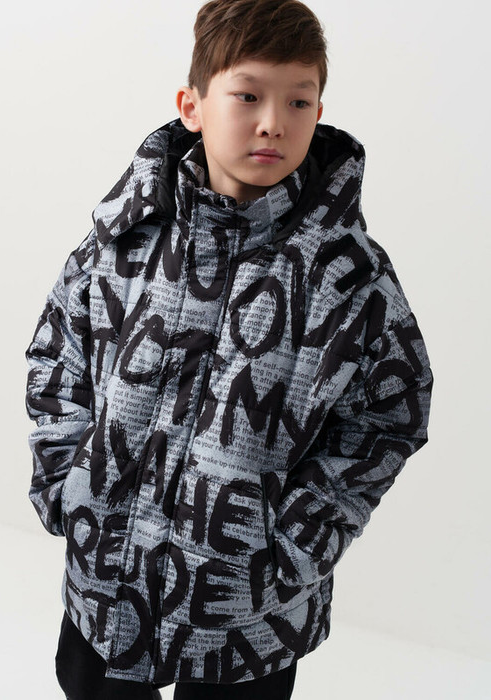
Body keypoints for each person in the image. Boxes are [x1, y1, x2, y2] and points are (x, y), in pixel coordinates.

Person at [25, 1, 433, 698]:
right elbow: (57, 353)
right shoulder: (126, 239)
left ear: (318, 111)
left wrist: (292, 547)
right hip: (106, 579)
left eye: (298, 101)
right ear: (192, 106)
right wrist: (68, 480)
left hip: (244, 615)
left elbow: (388, 415)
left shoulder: (345, 276)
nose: (273, 122)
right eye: (248, 96)